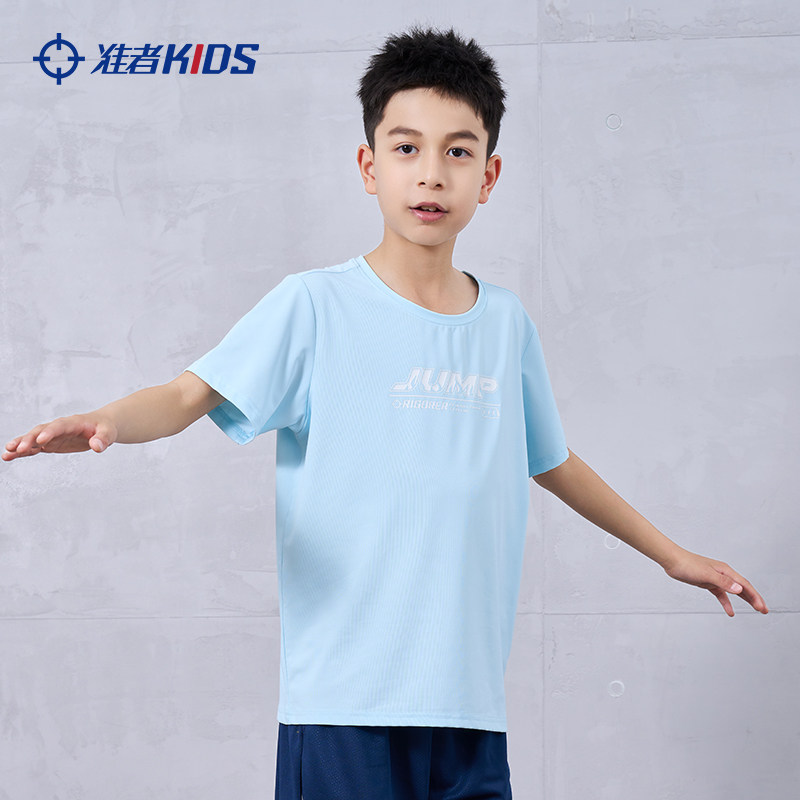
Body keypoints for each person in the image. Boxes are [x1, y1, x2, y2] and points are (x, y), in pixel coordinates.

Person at [3, 24, 768, 800]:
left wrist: (671, 555)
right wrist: (107, 420)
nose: (431, 173)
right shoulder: (314, 306)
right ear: (370, 166)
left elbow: (552, 461)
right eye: (407, 148)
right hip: (343, 706)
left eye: (457, 152)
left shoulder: (506, 324)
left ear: (489, 175)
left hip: (468, 711)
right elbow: (185, 395)